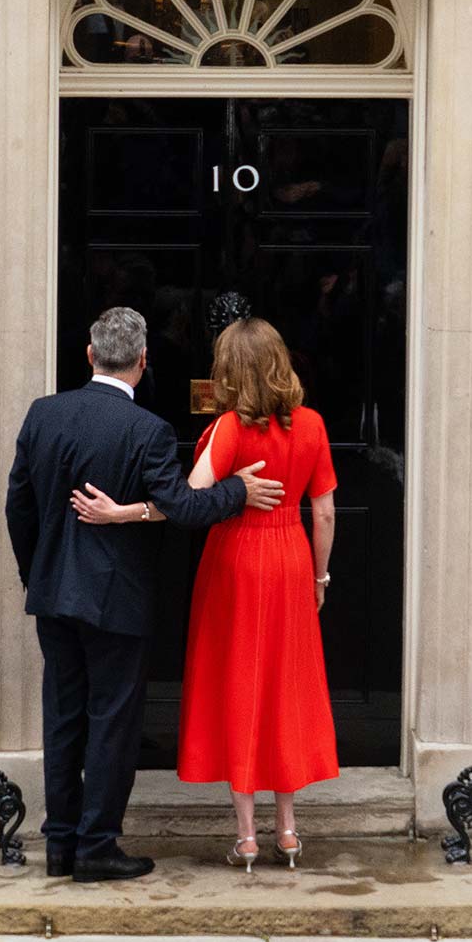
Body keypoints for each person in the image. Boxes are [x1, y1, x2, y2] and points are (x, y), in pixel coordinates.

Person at [5, 305, 285, 883]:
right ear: (141, 362)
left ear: (89, 355)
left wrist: (37, 572)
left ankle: (59, 845)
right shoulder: (147, 430)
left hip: (53, 596)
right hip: (116, 602)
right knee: (111, 723)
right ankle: (97, 846)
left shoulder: (43, 414)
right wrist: (237, 490)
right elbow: (183, 508)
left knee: (62, 720)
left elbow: (19, 506)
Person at [71, 316, 339, 872]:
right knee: (284, 685)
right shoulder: (311, 425)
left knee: (241, 681)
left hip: (237, 558)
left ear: (228, 371)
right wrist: (319, 577)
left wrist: (125, 513)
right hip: (290, 557)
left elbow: (185, 500)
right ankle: (287, 830)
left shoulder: (228, 430)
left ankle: (245, 836)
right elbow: (326, 511)